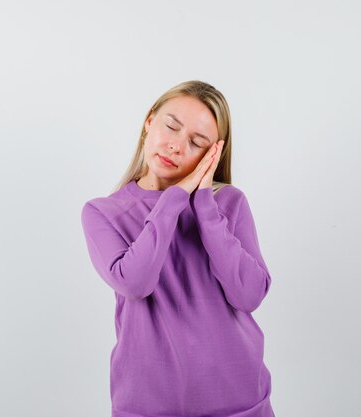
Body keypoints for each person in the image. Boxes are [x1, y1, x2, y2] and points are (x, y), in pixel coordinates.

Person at [80, 80, 275, 417]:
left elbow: (249, 295)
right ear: (148, 123)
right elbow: (135, 283)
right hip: (146, 406)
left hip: (241, 404)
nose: (176, 146)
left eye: (196, 142)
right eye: (171, 126)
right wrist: (173, 200)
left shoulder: (228, 204)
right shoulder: (103, 214)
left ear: (212, 156)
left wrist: (204, 208)